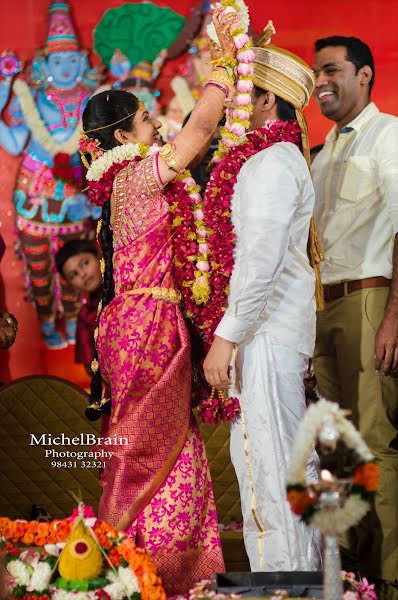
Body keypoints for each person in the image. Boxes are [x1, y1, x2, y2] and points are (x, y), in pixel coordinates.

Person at [80, 10, 238, 596]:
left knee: (168, 443)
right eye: (146, 119)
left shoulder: (124, 181)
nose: (157, 125)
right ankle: (139, 568)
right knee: (150, 446)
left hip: (136, 321)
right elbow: (197, 132)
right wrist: (225, 68)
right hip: (149, 322)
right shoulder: (140, 177)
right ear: (122, 138)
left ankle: (155, 567)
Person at [203, 28, 322, 571]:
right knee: (279, 466)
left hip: (265, 336)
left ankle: (286, 585)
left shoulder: (269, 164)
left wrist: (225, 339)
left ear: (267, 98)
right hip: (271, 333)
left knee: (269, 467)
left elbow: (259, 263)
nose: (234, 100)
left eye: (244, 88)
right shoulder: (278, 160)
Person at [311, 36, 398, 599]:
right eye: (317, 71)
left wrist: (394, 317)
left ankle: (391, 578)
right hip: (320, 308)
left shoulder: (389, 135)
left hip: (370, 300)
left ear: (364, 75)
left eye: (333, 70)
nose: (321, 80)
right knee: (333, 447)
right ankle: (349, 574)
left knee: (372, 440)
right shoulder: (321, 150)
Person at [0, 0, 100, 350]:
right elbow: (12, 143)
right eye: (58, 60)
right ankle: (45, 324)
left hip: (77, 197)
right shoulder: (29, 97)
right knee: (40, 268)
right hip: (35, 198)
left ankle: (75, 321)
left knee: (82, 261)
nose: (67, 67)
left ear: (82, 61)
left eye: (72, 59)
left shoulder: (92, 98)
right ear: (45, 64)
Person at [55, 239, 102, 373]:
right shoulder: (86, 317)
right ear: (70, 284)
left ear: (98, 256)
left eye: (85, 263)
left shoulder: (129, 285)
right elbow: (90, 367)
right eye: (74, 274)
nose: (83, 274)